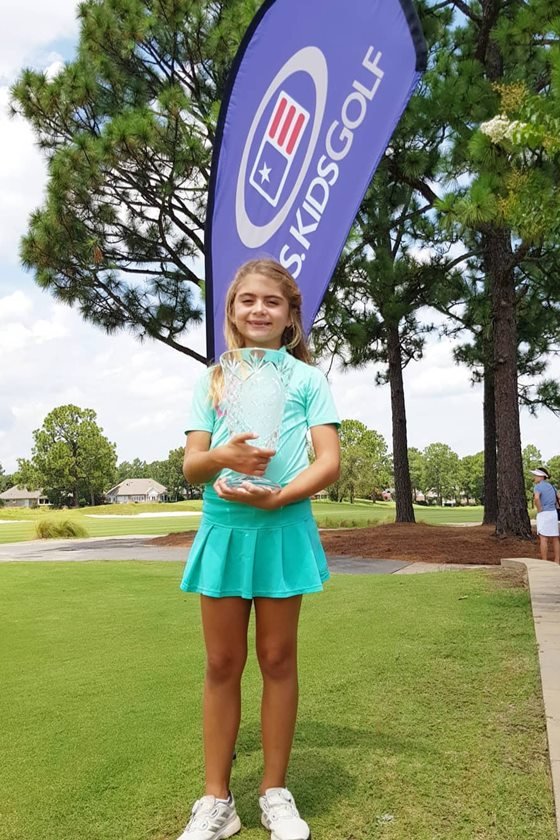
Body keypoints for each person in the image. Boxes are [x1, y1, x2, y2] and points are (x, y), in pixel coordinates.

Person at [176, 258, 341, 840]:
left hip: (281, 525)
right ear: (232, 312)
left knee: (277, 659)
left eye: (272, 301)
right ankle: (217, 801)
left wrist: (281, 496)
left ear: (291, 314)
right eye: (247, 300)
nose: (259, 310)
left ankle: (275, 792)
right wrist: (224, 458)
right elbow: (194, 464)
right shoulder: (213, 378)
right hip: (223, 528)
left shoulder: (306, 379)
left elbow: (328, 462)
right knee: (222, 663)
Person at [531, 467, 560, 564]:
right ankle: (557, 561)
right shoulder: (552, 486)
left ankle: (544, 561)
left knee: (543, 538)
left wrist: (539, 509)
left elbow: (536, 498)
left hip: (544, 514)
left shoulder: (538, 487)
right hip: (553, 513)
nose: (534, 477)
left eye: (536, 475)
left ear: (541, 477)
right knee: (555, 538)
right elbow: (558, 498)